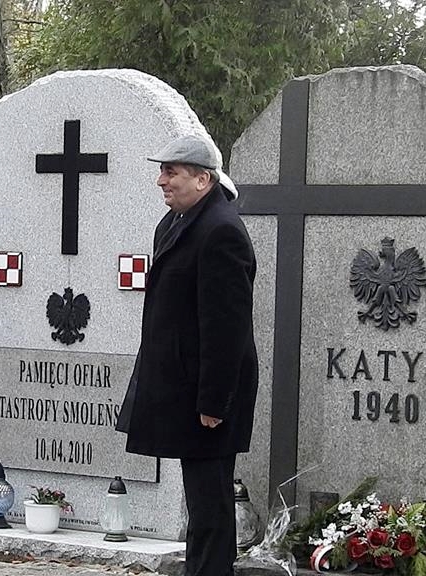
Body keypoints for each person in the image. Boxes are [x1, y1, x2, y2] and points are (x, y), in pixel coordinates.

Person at [115, 133, 258, 576]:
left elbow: (226, 327)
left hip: (209, 396)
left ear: (202, 179)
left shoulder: (221, 232)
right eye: (162, 171)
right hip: (185, 388)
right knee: (200, 503)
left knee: (211, 505)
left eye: (170, 172)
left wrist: (214, 402)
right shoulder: (176, 223)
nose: (161, 180)